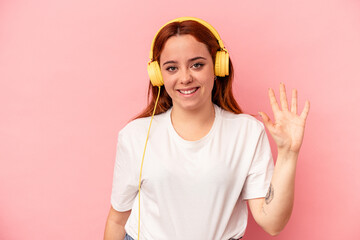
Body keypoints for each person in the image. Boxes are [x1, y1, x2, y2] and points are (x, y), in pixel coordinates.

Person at [104, 17, 310, 240]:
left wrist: (289, 154)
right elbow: (117, 219)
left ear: (218, 67)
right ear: (158, 76)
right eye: (172, 68)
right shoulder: (135, 135)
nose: (185, 77)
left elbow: (272, 224)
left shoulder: (248, 132)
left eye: (197, 65)